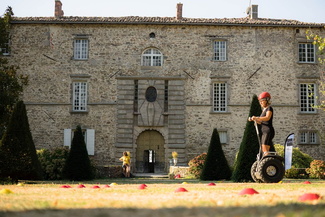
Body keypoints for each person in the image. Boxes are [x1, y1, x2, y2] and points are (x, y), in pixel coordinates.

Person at [249, 92, 275, 156]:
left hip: (268, 130)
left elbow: (267, 118)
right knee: (265, 150)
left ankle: (267, 162)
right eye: (260, 101)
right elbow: (261, 122)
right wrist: (254, 119)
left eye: (262, 101)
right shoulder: (263, 110)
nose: (260, 103)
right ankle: (268, 163)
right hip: (264, 131)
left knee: (264, 147)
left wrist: (257, 117)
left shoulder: (269, 108)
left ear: (267, 100)